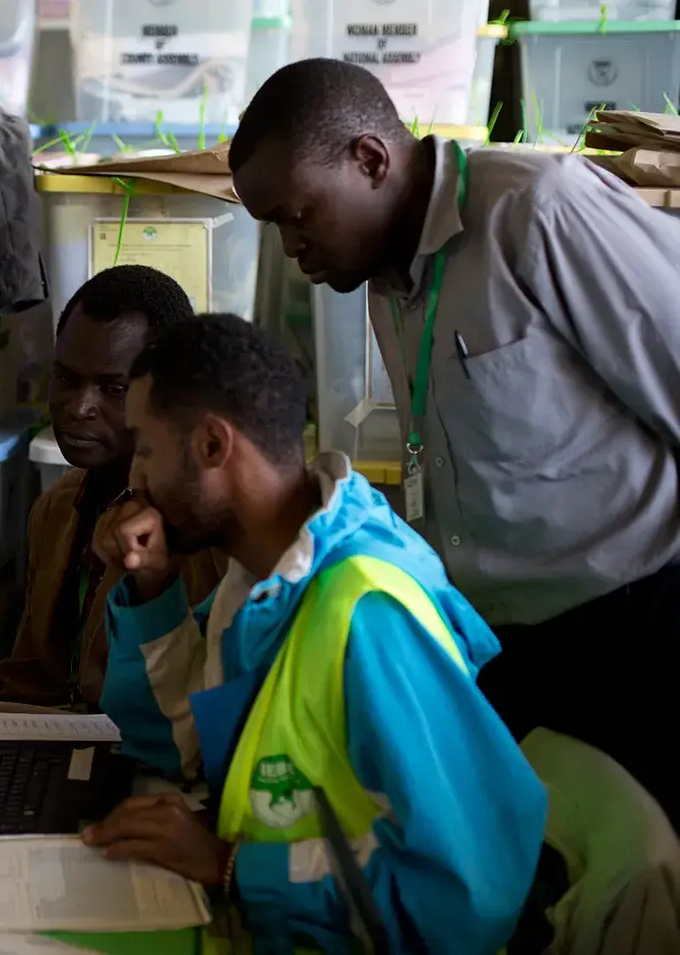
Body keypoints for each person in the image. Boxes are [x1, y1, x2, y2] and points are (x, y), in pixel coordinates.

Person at [230, 57, 680, 819]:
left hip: (635, 631)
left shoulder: (541, 212)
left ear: (369, 160)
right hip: (504, 641)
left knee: (642, 881)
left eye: (296, 215)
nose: (289, 248)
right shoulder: (384, 276)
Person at [81, 315, 544, 953]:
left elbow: (463, 898)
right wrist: (154, 586)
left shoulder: (371, 612)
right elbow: (186, 747)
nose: (135, 479)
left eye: (146, 449)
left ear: (213, 447)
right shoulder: (263, 575)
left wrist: (231, 865)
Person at [0, 265, 223, 712]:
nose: (78, 408)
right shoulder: (56, 508)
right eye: (66, 378)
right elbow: (27, 678)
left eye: (113, 388)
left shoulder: (206, 535)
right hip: (62, 740)